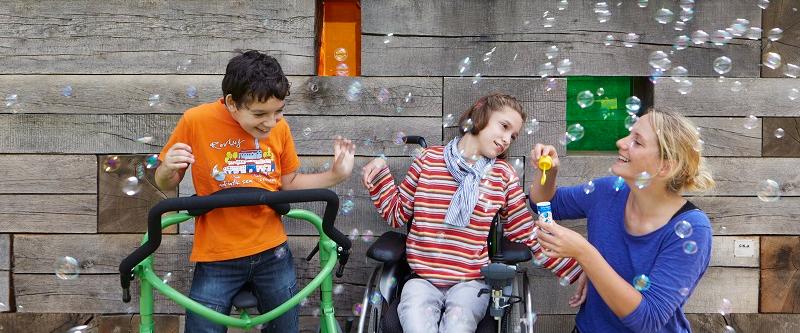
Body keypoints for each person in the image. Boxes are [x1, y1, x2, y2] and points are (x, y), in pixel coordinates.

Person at [154, 50, 355, 333]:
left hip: (272, 251)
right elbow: (166, 182)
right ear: (232, 104)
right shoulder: (195, 121)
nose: (271, 122)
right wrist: (166, 169)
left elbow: (289, 183)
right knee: (202, 327)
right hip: (216, 255)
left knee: (285, 327)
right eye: (260, 113)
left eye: (279, 111)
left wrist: (335, 176)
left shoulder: (279, 127)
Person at [361, 93, 583, 333]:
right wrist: (380, 175)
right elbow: (396, 214)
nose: (507, 139)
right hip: (421, 280)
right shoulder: (427, 161)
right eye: (504, 126)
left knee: (458, 326)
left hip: (470, 283)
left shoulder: (503, 176)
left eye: (513, 135)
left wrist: (578, 271)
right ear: (480, 112)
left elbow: (527, 233)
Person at [529, 107, 715, 332]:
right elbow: (545, 203)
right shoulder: (608, 191)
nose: (620, 142)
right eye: (629, 134)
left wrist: (584, 253)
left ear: (665, 166)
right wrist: (547, 172)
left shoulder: (693, 228)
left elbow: (648, 319)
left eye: (637, 141)